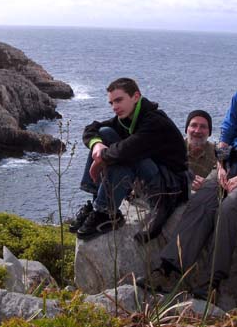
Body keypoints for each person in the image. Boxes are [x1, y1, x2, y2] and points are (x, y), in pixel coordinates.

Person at [137, 48, 237, 300]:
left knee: (229, 208)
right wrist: (222, 167)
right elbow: (226, 135)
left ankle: (211, 282)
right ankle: (167, 270)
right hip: (231, 165)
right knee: (201, 201)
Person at [69, 77, 189, 240]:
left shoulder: (154, 122)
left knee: (125, 158)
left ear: (136, 97)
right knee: (104, 133)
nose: (115, 107)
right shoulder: (126, 119)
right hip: (150, 171)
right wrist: (96, 145)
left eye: (119, 100)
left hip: (168, 184)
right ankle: (96, 201)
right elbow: (92, 128)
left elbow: (127, 150)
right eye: (111, 103)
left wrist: (101, 159)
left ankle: (106, 213)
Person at [185, 110, 217, 191]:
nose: (197, 131)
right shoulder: (173, 150)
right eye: (193, 125)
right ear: (187, 129)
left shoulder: (217, 154)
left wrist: (207, 185)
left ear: (209, 132)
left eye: (203, 127)